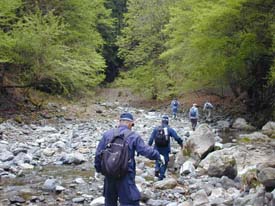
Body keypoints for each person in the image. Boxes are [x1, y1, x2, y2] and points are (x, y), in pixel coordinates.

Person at [94, 112, 165, 206]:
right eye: (132, 124)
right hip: (125, 175)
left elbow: (99, 153)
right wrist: (158, 156)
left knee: (110, 202)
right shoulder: (133, 136)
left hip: (109, 174)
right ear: (130, 123)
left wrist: (98, 169)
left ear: (119, 122)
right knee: (130, 202)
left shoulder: (107, 134)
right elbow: (145, 150)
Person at [148, 115, 183, 181]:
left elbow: (151, 139)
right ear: (168, 122)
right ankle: (161, 176)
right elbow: (176, 137)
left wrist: (148, 146)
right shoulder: (169, 129)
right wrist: (181, 144)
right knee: (165, 161)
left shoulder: (156, 129)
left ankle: (157, 169)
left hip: (157, 147)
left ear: (161, 121)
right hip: (165, 148)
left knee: (157, 158)